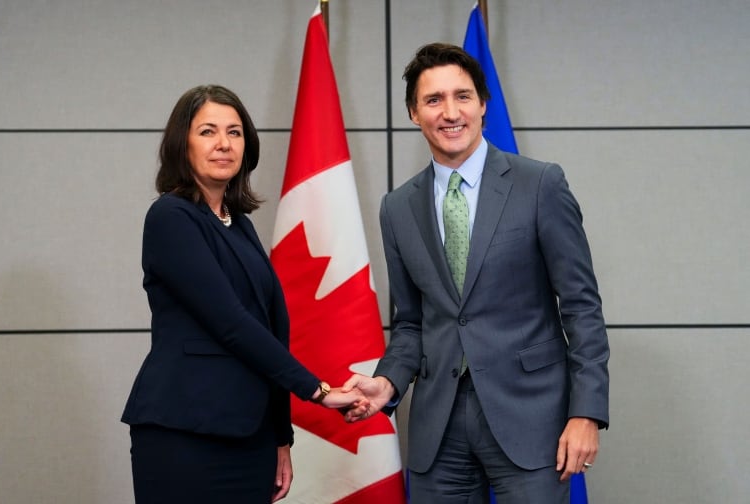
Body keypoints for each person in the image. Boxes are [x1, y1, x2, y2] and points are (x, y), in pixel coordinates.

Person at [342, 43, 610, 504]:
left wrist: (586, 412)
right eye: (433, 100)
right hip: (438, 429)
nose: (451, 112)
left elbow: (582, 307)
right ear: (413, 113)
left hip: (532, 420)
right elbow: (412, 322)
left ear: (483, 104)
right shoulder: (397, 207)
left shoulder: (541, 184)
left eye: (462, 96)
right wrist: (386, 382)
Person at [121, 84, 365, 503]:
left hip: (250, 439)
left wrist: (280, 438)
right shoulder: (170, 217)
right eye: (208, 132)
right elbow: (231, 324)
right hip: (185, 433)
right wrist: (318, 391)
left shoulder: (241, 225)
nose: (223, 144)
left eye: (234, 132)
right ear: (183, 144)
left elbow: (270, 330)